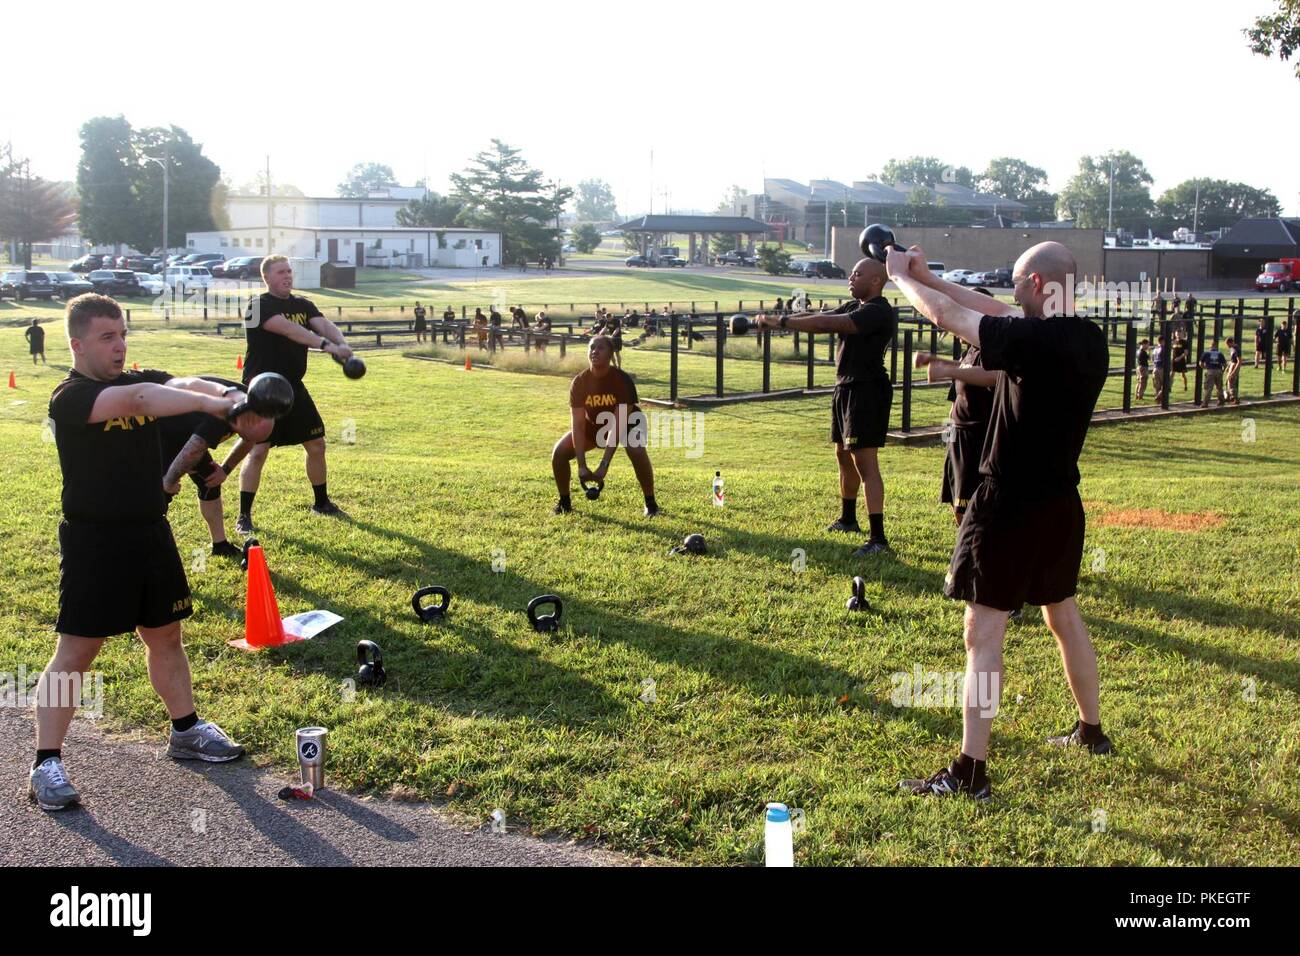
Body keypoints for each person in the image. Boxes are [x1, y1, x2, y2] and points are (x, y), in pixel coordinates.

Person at [885, 241, 1112, 800]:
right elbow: (986, 308)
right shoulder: (1086, 337)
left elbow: (951, 317)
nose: (1010, 291)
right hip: (1061, 502)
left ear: (1036, 283)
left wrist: (899, 279)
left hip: (1008, 503)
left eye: (1015, 281)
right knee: (1062, 614)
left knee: (982, 631)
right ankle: (1091, 731)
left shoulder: (1029, 339)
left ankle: (969, 772)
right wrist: (930, 273)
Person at [32, 294, 247, 811]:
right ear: (77, 343)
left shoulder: (137, 377)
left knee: (166, 635)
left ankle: (186, 731)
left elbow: (180, 385)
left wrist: (231, 392)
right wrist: (217, 406)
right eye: (108, 337)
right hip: (94, 541)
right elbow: (142, 402)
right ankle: (46, 762)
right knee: (78, 651)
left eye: (123, 334)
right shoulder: (71, 395)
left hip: (150, 531)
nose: (120, 346)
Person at [755, 258, 897, 556]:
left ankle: (878, 539)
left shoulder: (877, 311)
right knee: (843, 455)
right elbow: (818, 314)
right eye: (851, 273)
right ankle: (848, 520)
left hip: (866, 390)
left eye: (857, 274)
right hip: (845, 388)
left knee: (865, 463)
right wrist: (776, 318)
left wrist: (781, 323)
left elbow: (826, 324)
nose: (850, 278)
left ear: (874, 281)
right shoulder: (853, 306)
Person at [235, 256, 354, 534]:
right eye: (281, 272)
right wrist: (327, 346)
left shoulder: (302, 304)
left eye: (289, 271)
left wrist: (342, 345)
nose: (288, 276)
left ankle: (321, 503)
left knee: (316, 444)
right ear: (267, 277)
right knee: (259, 450)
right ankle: (244, 516)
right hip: (261, 388)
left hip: (293, 386)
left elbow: (323, 324)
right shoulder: (257, 306)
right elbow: (290, 330)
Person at [159, 376, 278, 558]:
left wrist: (225, 469)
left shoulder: (257, 409)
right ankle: (150, 544)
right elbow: (192, 451)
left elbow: (249, 439)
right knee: (160, 492)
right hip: (163, 428)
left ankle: (220, 545)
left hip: (189, 433)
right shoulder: (220, 416)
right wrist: (169, 480)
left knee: (210, 481)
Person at [550, 335, 659, 517]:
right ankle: (564, 503)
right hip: (595, 425)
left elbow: (618, 425)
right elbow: (577, 424)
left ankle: (651, 503)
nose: (595, 351)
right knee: (559, 453)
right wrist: (582, 466)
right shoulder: (579, 382)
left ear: (611, 354)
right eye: (592, 347)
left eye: (601, 348)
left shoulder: (622, 380)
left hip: (628, 423)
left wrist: (604, 464)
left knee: (636, 449)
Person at [1199, 338, 1227, 407]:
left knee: (1208, 388)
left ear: (1210, 346)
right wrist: (1222, 370)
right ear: (1216, 346)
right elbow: (1224, 364)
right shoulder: (1220, 354)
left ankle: (1205, 403)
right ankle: (1221, 401)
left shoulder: (1206, 353)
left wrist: (1205, 368)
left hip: (1210, 371)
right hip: (1218, 371)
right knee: (1219, 387)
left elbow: (1200, 363)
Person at [1225, 336, 1242, 405]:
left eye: (1228, 344)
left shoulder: (1236, 349)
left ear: (1231, 342)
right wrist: (1228, 367)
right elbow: (1232, 359)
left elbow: (1239, 361)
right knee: (1227, 381)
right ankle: (1229, 397)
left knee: (1231, 382)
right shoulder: (1232, 349)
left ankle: (1236, 398)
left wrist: (1234, 371)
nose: (1227, 346)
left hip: (1235, 366)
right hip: (1232, 365)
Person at [1152, 335, 1167, 404]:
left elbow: (1152, 358)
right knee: (1166, 384)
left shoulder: (1155, 349)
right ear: (1163, 341)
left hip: (1155, 367)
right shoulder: (1163, 348)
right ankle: (1158, 396)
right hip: (1162, 368)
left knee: (1157, 385)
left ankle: (1159, 401)